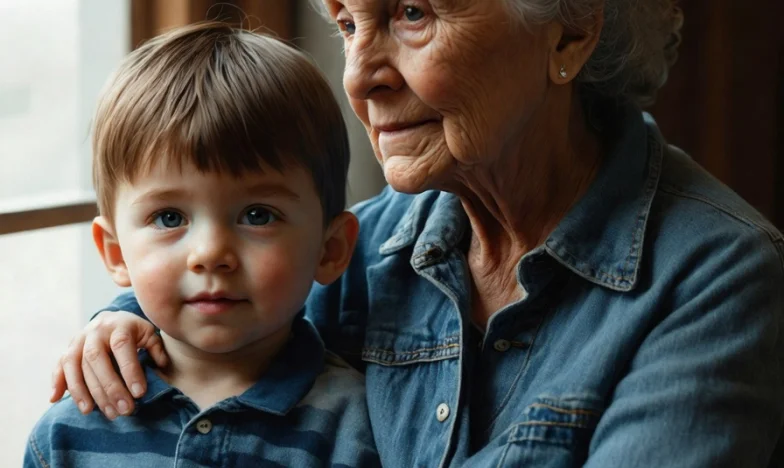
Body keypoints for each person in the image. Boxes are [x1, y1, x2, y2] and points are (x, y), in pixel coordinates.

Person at [50, 0, 784, 466]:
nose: (359, 77)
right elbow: (226, 319)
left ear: (568, 31)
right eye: (347, 23)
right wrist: (124, 322)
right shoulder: (361, 248)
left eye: (410, 13)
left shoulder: (718, 279)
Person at [27, 22, 381, 468]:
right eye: (169, 218)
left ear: (330, 249)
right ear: (116, 254)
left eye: (258, 215)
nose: (211, 253)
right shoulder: (66, 433)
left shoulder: (357, 432)